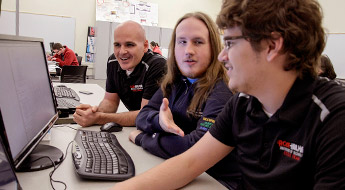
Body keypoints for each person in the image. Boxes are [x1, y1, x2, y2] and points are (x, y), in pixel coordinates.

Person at [111, 0, 345, 189]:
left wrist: (143, 137)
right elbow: (189, 163)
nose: (222, 57)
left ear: (272, 46)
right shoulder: (242, 104)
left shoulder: (334, 118)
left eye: (231, 44)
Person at [130, 12, 240, 189]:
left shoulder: (221, 91)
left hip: (215, 182)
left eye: (198, 42)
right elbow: (143, 115)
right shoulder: (174, 82)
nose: (188, 50)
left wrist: (143, 138)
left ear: (213, 47)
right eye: (182, 42)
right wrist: (159, 121)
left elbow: (194, 147)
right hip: (183, 172)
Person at [73, 21, 167, 127]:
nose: (122, 52)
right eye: (117, 45)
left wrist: (99, 118)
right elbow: (110, 101)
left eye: (129, 44)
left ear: (145, 46)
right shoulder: (113, 62)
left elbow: (145, 115)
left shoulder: (157, 65)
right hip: (137, 127)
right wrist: (95, 112)